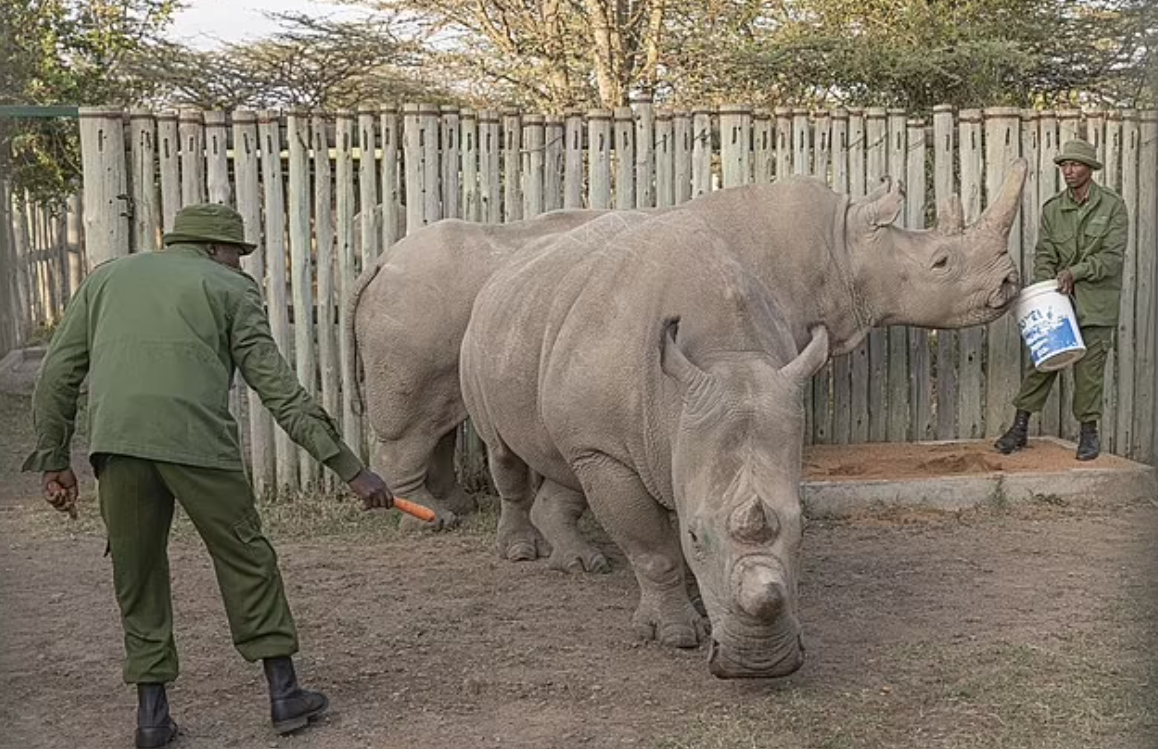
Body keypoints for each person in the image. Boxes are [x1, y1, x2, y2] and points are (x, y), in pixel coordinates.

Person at [22, 203, 394, 748]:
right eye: (238, 255)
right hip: (199, 445)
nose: (242, 266)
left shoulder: (106, 278)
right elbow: (279, 390)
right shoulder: (229, 289)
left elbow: (57, 372)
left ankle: (151, 718)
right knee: (247, 558)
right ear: (218, 250)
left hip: (118, 447)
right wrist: (350, 468)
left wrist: (55, 457)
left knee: (137, 573)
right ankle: (284, 693)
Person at [995, 138, 1128, 461]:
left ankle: (1088, 434)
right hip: (1058, 302)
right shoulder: (1053, 209)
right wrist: (1047, 287)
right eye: (1064, 165)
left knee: (1089, 373)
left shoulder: (1112, 206)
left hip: (1097, 306)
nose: (1068, 171)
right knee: (1042, 362)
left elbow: (1112, 259)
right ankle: (1020, 428)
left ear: (1090, 169)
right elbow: (1045, 253)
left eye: (1075, 165)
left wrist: (1076, 272)